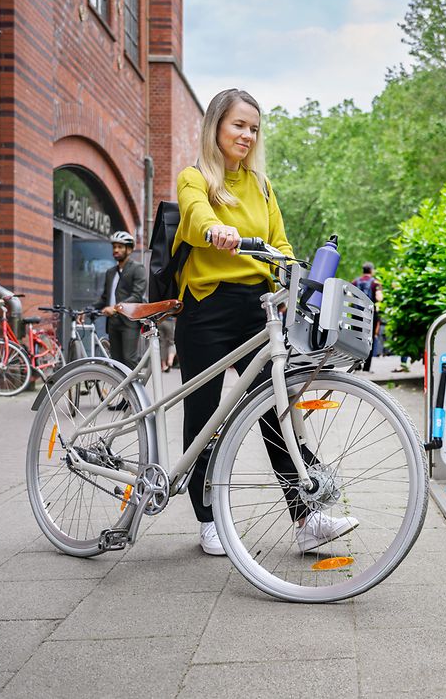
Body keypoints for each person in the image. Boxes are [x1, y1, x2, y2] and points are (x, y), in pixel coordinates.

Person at [174, 88, 358, 556]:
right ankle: (208, 517)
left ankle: (306, 518)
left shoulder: (262, 186)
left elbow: (281, 243)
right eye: (239, 125)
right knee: (205, 417)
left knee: (275, 408)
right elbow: (195, 219)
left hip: (257, 308)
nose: (247, 135)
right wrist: (217, 229)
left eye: (253, 128)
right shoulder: (195, 177)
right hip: (207, 307)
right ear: (216, 125)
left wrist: (291, 273)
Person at [94, 230, 147, 370]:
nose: (116, 250)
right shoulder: (110, 272)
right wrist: (86, 311)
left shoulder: (138, 269)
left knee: (129, 359)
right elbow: (105, 298)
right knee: (116, 361)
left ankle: (136, 390)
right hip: (112, 322)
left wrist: (116, 308)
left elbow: (136, 296)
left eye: (120, 247)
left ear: (129, 249)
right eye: (114, 247)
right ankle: (121, 390)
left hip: (128, 322)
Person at [352, 263, 382, 372]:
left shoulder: (355, 282)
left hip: (356, 314)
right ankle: (366, 367)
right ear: (371, 270)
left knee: (356, 338)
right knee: (369, 339)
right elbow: (379, 298)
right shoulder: (375, 282)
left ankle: (356, 365)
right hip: (369, 315)